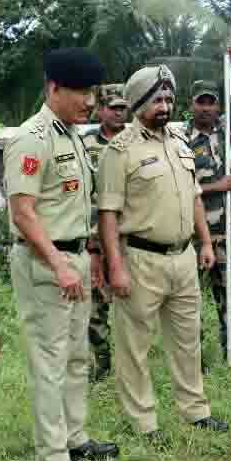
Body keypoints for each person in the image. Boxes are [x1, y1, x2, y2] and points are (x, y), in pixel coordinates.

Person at [4, 48, 119, 461]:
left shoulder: (70, 134)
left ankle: (74, 438)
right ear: (54, 88)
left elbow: (71, 206)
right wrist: (58, 263)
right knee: (49, 361)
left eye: (93, 93)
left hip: (72, 259)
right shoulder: (33, 137)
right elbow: (23, 212)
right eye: (81, 92)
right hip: (44, 262)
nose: (90, 102)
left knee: (74, 356)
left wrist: (85, 259)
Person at [97, 64, 229, 443]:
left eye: (169, 98)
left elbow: (194, 197)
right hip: (141, 259)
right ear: (138, 102)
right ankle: (144, 422)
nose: (165, 105)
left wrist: (205, 243)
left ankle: (195, 411)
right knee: (135, 346)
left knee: (188, 340)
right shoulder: (119, 151)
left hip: (184, 257)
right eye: (157, 99)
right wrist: (116, 268)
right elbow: (108, 214)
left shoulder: (178, 142)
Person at [182, 79, 231, 366]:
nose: (206, 108)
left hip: (226, 232)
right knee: (191, 299)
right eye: (201, 102)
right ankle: (195, 358)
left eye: (211, 102)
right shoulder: (181, 139)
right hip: (195, 233)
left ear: (219, 105)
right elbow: (182, 186)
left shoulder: (230, 134)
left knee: (230, 293)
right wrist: (219, 186)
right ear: (191, 104)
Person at [82, 83, 129, 382]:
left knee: (133, 301)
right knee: (96, 303)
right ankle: (103, 363)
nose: (119, 113)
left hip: (130, 234)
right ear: (100, 110)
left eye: (124, 107)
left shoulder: (136, 142)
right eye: (113, 107)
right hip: (96, 234)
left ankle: (132, 363)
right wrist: (90, 242)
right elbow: (81, 195)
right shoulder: (86, 145)